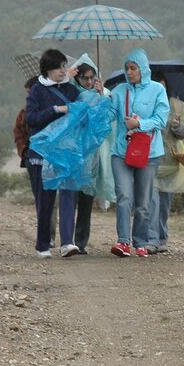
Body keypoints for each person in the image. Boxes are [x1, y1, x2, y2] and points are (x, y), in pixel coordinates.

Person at [107, 48, 169, 258]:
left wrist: (139, 123)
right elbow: (108, 116)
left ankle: (140, 241)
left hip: (148, 153)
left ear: (143, 69)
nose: (130, 72)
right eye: (127, 68)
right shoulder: (118, 91)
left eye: (133, 68)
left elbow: (161, 120)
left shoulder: (157, 91)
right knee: (124, 196)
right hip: (121, 152)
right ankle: (123, 242)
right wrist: (100, 98)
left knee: (143, 203)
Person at [25, 49, 81, 259]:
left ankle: (68, 242)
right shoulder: (37, 90)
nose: (61, 70)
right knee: (45, 199)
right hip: (42, 153)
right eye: (58, 67)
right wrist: (56, 110)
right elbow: (31, 118)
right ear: (47, 69)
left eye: (63, 66)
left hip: (65, 152)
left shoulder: (71, 90)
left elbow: (81, 111)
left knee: (68, 195)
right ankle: (42, 245)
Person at [146, 69, 184, 254]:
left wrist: (178, 126)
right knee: (151, 202)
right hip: (149, 159)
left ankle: (162, 237)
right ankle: (151, 239)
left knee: (164, 204)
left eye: (162, 86)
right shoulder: (143, 105)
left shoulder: (177, 106)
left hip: (171, 162)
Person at [70, 55, 113, 254]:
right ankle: (67, 241)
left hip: (92, 155)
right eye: (84, 78)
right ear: (77, 78)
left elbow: (108, 118)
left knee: (86, 200)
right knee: (70, 198)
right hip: (74, 151)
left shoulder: (103, 94)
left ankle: (80, 242)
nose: (88, 82)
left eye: (91, 78)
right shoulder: (71, 94)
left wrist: (101, 97)